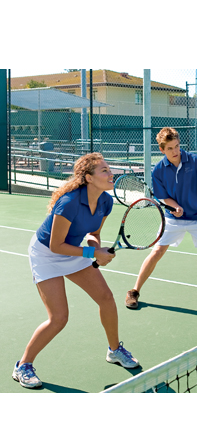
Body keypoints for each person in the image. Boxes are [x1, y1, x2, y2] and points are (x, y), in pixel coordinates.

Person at [12, 153, 139, 389]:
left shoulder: (105, 201)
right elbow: (55, 246)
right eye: (104, 170)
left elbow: (93, 233)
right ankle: (23, 365)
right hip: (46, 254)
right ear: (89, 178)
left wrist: (96, 249)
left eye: (109, 169)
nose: (111, 174)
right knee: (59, 318)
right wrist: (93, 254)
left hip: (72, 250)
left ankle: (114, 350)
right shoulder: (69, 203)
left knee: (106, 298)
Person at [125, 127, 197, 310]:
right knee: (157, 252)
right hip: (173, 219)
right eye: (170, 148)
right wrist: (175, 207)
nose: (175, 151)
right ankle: (134, 291)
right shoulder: (158, 170)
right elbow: (164, 197)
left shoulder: (196, 161)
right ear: (162, 150)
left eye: (177, 146)